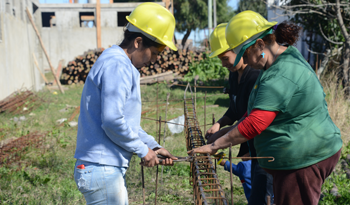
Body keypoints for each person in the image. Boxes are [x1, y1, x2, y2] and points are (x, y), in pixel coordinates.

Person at [188, 10, 342, 205]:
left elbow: (255, 124)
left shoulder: (281, 73)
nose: (243, 60)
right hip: (295, 152)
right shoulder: (272, 65)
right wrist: (226, 131)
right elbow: (255, 111)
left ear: (260, 44)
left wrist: (213, 146)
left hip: (305, 156)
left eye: (244, 53)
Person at [73, 3, 178, 204]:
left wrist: (152, 146)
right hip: (102, 168)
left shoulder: (118, 63)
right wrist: (142, 150)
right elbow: (112, 121)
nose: (155, 60)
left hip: (102, 168)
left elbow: (126, 124)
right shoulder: (117, 65)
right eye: (154, 53)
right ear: (138, 42)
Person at [206, 23, 273, 204]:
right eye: (220, 59)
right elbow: (235, 109)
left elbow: (253, 118)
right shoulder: (234, 75)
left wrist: (221, 139)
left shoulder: (255, 75)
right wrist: (219, 124)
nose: (224, 63)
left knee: (264, 195)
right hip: (247, 146)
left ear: (238, 49)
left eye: (226, 57)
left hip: (260, 148)